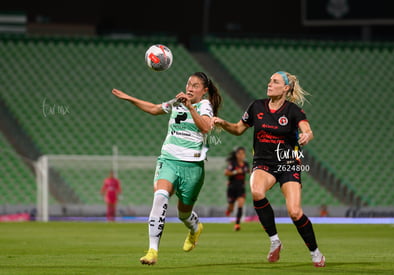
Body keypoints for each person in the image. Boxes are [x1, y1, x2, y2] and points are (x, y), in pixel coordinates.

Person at [212, 71, 325, 267]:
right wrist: (223, 123)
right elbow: (238, 129)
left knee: (295, 213)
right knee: (256, 191)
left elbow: (306, 129)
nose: (269, 84)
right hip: (263, 162)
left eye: (275, 82)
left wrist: (307, 135)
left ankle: (315, 252)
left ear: (286, 88)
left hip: (288, 164)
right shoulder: (256, 106)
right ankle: (274, 241)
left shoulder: (292, 110)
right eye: (270, 81)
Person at [112, 72, 222, 265]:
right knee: (160, 196)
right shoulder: (177, 101)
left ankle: (195, 229)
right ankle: (152, 251)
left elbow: (205, 127)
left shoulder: (205, 106)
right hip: (169, 159)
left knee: (184, 214)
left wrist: (190, 107)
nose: (189, 88)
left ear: (204, 91)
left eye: (195, 86)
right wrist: (129, 98)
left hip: (193, 166)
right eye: (189, 84)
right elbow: (154, 109)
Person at [224, 146, 250, 231]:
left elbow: (249, 172)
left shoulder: (246, 165)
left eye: (243, 153)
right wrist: (235, 172)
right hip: (232, 188)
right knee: (231, 207)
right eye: (239, 153)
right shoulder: (233, 164)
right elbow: (226, 173)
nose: (241, 155)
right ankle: (229, 209)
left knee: (240, 204)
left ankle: (237, 224)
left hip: (241, 188)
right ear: (236, 155)